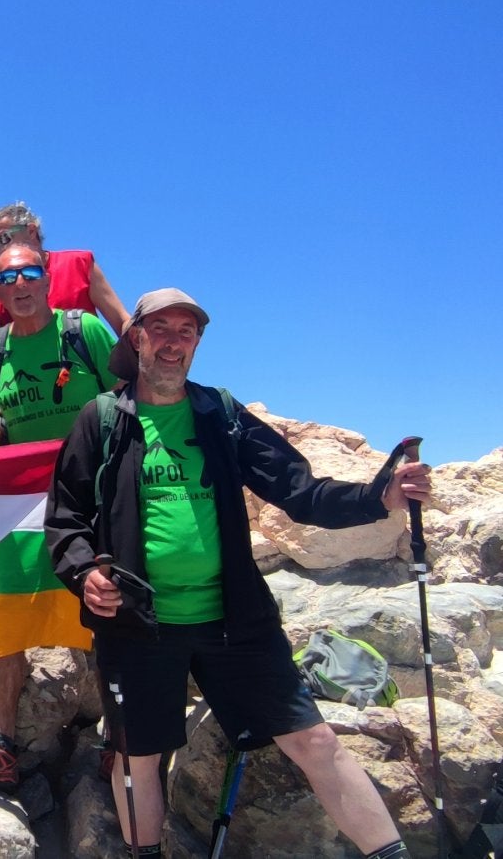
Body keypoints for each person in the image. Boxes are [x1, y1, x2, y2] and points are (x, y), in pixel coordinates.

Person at [45, 289, 429, 859]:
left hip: (236, 622)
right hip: (136, 625)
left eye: (187, 332)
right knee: (136, 758)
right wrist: (84, 575)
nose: (174, 342)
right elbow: (65, 519)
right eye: (161, 329)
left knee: (315, 740)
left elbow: (300, 491)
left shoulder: (220, 415)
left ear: (196, 344)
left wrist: (382, 497)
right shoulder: (101, 419)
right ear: (136, 338)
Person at [0, 243, 117, 789]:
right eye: (7, 277)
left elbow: (127, 398)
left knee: (106, 611)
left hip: (94, 496)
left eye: (28, 272)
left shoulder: (84, 332)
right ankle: (0, 737)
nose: (19, 283)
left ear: (47, 278)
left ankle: (121, 736)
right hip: (25, 503)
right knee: (7, 615)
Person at [0, 201, 129, 370]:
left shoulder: (79, 264)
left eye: (3, 238)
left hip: (93, 383)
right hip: (31, 389)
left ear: (31, 231)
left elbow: (122, 321)